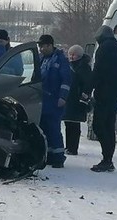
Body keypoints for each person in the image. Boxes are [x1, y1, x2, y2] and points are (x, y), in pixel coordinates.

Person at [90, 25, 117, 172]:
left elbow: (98, 71)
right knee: (109, 126)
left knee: (99, 126)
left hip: (103, 94)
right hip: (115, 94)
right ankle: (108, 159)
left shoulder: (103, 49)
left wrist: (88, 89)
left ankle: (106, 159)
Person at [37, 34, 71, 167]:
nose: (40, 49)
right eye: (39, 46)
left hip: (54, 100)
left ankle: (58, 157)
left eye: (43, 46)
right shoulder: (42, 59)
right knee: (44, 128)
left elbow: (66, 80)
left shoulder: (60, 60)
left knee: (53, 129)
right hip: (43, 100)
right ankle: (49, 155)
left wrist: (63, 97)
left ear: (50, 45)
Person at [62, 45, 92, 155]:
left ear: (79, 55)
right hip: (70, 98)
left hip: (77, 99)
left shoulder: (84, 67)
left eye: (73, 55)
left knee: (74, 124)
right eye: (70, 54)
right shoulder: (69, 66)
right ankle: (69, 146)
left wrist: (84, 96)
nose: (71, 56)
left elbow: (87, 83)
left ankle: (73, 147)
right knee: (68, 123)